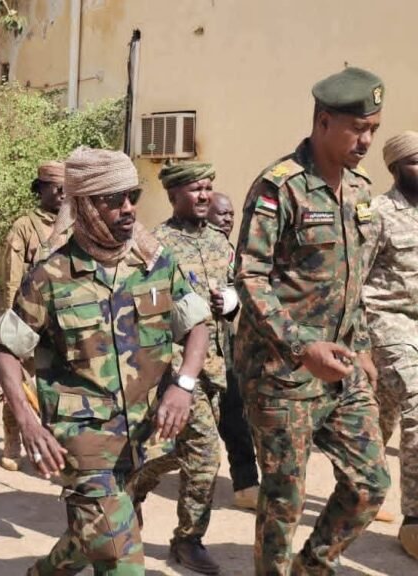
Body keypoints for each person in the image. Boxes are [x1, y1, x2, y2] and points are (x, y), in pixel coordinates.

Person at [0, 146, 210, 575]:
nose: (128, 208)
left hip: (147, 431)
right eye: (114, 200)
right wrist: (28, 421)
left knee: (95, 533)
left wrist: (184, 384)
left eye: (132, 196)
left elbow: (196, 324)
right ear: (86, 206)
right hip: (85, 437)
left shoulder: (155, 263)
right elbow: (6, 350)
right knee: (118, 553)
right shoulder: (50, 275)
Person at [234, 67, 390, 574]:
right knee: (285, 500)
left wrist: (362, 348)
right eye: (358, 129)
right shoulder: (280, 187)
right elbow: (249, 276)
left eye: (374, 129)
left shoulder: (361, 190)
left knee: (370, 485)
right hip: (282, 372)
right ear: (323, 121)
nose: (367, 141)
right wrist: (302, 347)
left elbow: (353, 278)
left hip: (342, 366)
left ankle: (313, 567)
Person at [131, 162, 237, 575]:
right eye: (195, 189)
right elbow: (146, 311)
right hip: (176, 369)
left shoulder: (219, 241)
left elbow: (238, 288)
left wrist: (232, 303)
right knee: (206, 454)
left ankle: (132, 486)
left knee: (178, 450)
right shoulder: (157, 244)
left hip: (216, 367)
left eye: (208, 187)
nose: (204, 195)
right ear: (174, 196)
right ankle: (188, 540)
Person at [362, 130, 418, 561]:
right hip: (387, 324)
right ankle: (414, 521)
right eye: (416, 161)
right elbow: (353, 277)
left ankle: (363, 488)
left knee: (381, 416)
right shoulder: (377, 213)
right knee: (417, 407)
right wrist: (358, 342)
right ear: (396, 168)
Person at [0, 160, 65, 471]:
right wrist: (11, 323)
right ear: (41, 190)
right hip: (29, 318)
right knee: (18, 383)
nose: (62, 194)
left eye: (67, 188)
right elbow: (12, 280)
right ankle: (13, 442)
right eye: (57, 188)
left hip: (63, 320)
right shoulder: (24, 227)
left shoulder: (75, 224)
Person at [207, 191, 261, 510]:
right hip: (184, 353)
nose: (228, 219)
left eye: (231, 214)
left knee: (236, 418)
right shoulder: (176, 244)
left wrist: (229, 302)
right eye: (221, 213)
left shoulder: (229, 251)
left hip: (225, 351)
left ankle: (246, 485)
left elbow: (235, 292)